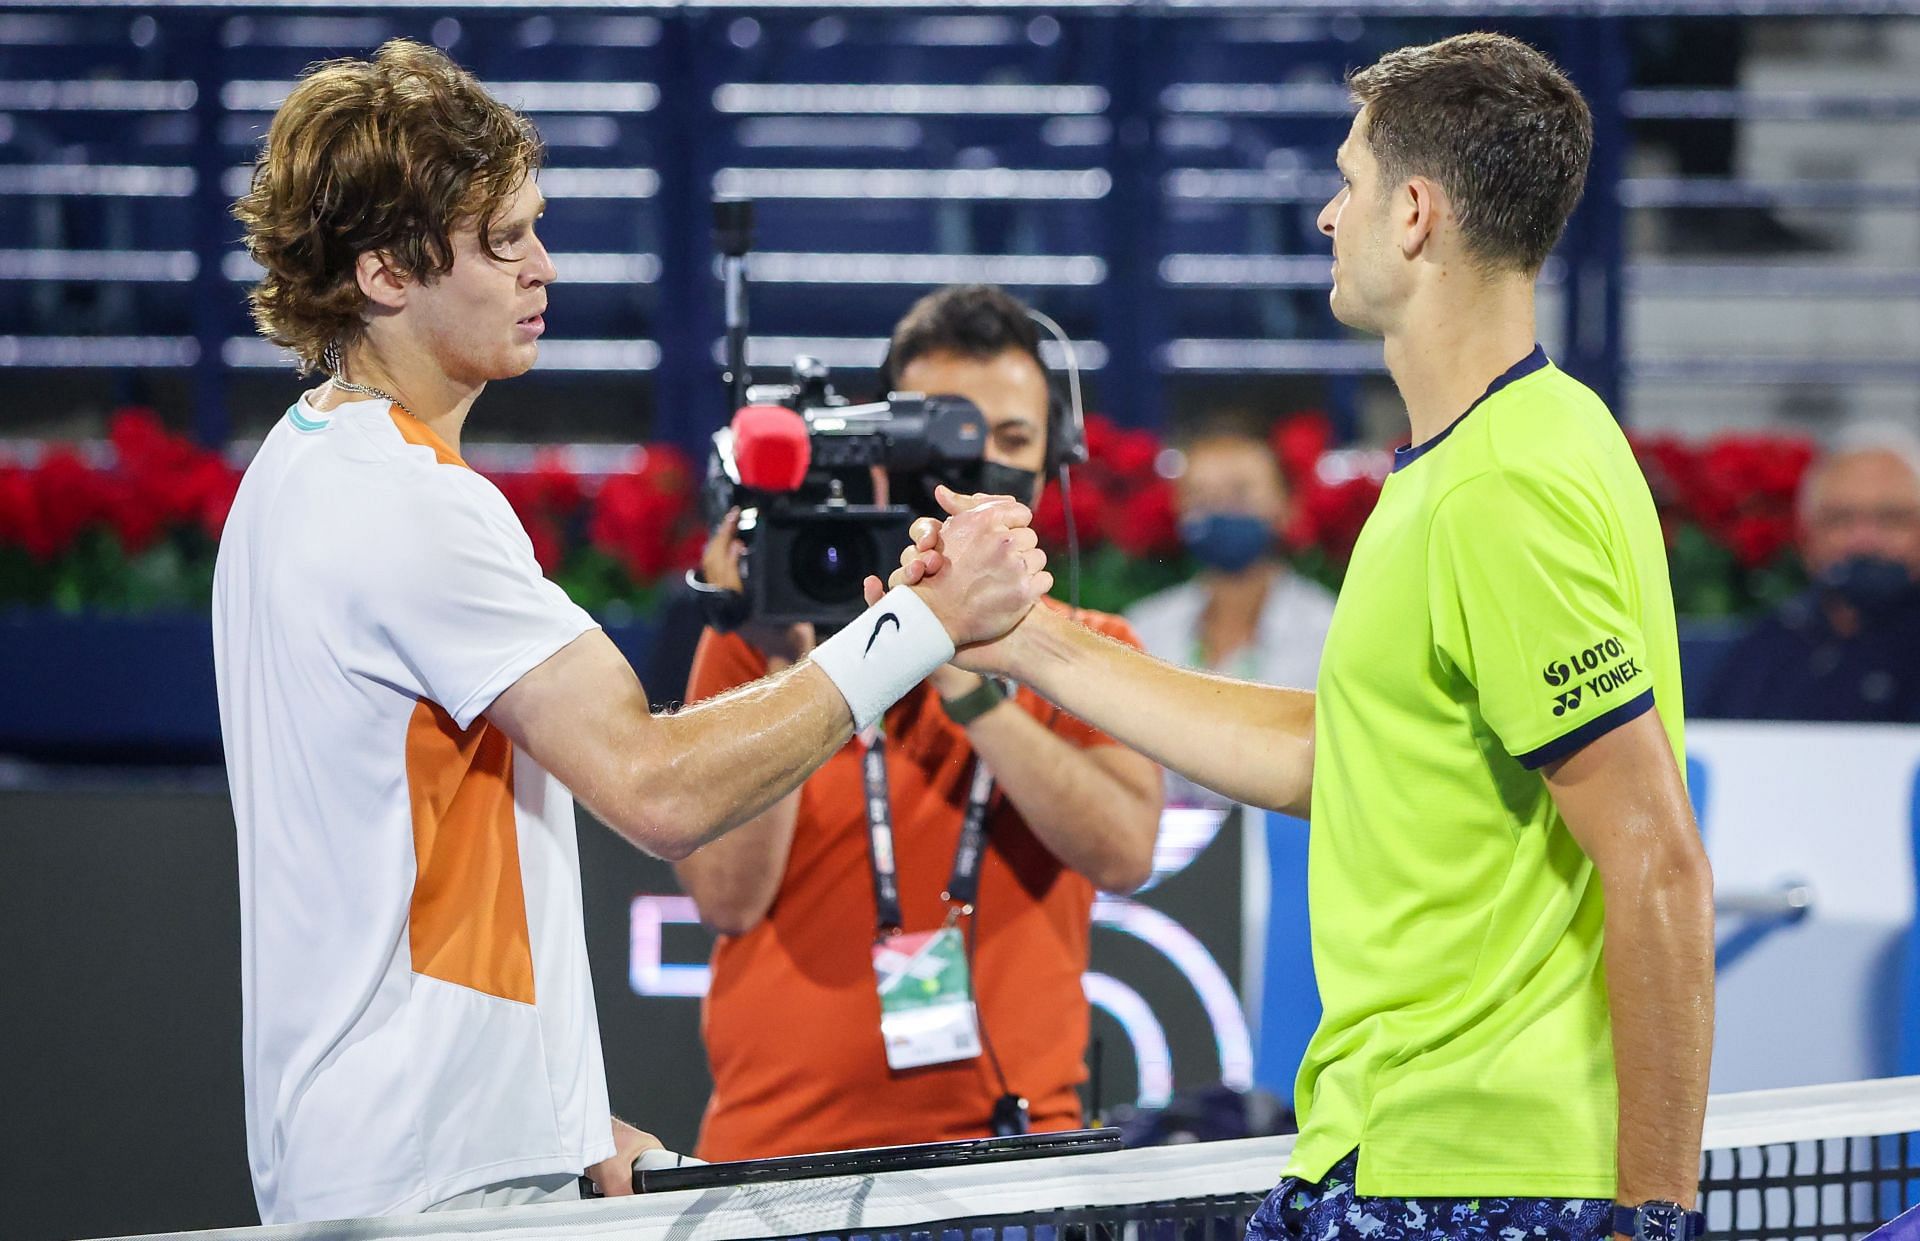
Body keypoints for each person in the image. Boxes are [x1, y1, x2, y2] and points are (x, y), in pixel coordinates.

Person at [886, 34, 1714, 1241]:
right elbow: (1340, 757)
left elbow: (1658, 862)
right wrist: (1024, 643)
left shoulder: (1501, 485)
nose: (1329, 217)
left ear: (1416, 215)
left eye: (1350, 183)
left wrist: (1655, 1219)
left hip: (1478, 1173)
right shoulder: (1506, 450)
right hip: (1402, 1152)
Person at [215, 43, 1049, 1225]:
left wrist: (554, 1116)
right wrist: (923, 623)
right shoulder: (406, 501)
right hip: (433, 1182)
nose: (541, 267)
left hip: (402, 1156)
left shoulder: (299, 470)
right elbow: (657, 787)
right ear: (385, 272)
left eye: (534, 228)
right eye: (500, 240)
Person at [674, 284, 1164, 1160]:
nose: (976, 467)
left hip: (1011, 1170)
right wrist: (805, 658)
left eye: (1009, 439)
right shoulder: (774, 635)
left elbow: (1124, 849)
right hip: (778, 1165)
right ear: (878, 447)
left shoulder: (1090, 649)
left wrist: (964, 681)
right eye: (943, 433)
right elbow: (726, 896)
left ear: (1055, 455)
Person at [1125, 412, 1335, 805]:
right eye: (1201, 497)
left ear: (1285, 504)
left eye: (1240, 493)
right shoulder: (1145, 627)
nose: (1220, 510)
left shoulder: (1331, 629)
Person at [1700, 426, 1920, 721]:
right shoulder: (1764, 654)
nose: (1864, 540)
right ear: (1806, 539)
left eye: (1891, 519)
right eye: (1840, 520)